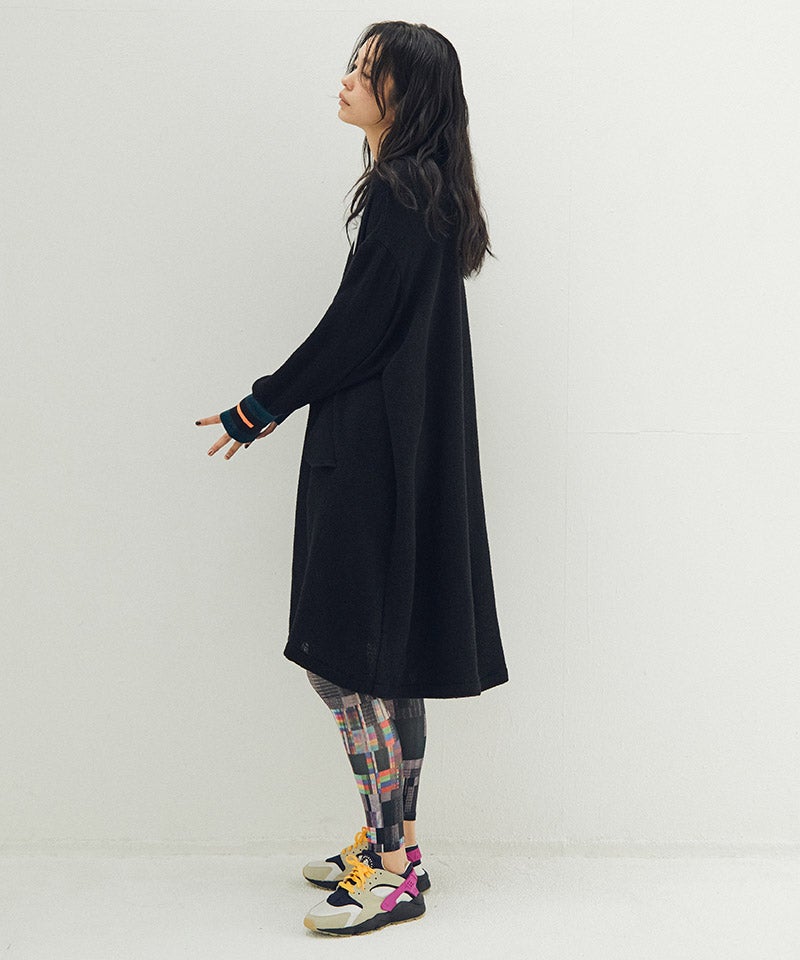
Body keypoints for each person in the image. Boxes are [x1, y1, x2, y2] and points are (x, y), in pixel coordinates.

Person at [195, 20, 509, 937]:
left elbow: (354, 331)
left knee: (347, 664)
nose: (346, 81)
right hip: (395, 450)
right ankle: (395, 844)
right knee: (385, 658)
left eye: (366, 72)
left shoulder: (402, 192)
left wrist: (261, 404)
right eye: (352, 66)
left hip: (374, 456)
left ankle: (393, 866)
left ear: (405, 95)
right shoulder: (427, 188)